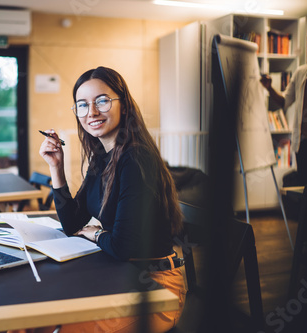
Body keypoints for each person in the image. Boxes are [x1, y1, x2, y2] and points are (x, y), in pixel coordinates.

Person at [17, 67, 187, 333]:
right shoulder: (102, 158)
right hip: (120, 275)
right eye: (82, 105)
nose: (92, 112)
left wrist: (96, 234)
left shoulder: (136, 158)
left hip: (156, 288)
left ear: (124, 105)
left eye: (102, 101)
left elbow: (122, 246)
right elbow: (73, 223)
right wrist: (56, 168)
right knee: (25, 323)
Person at [260, 29, 307, 186]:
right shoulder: (301, 72)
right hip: (303, 144)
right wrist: (269, 88)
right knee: (305, 188)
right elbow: (284, 102)